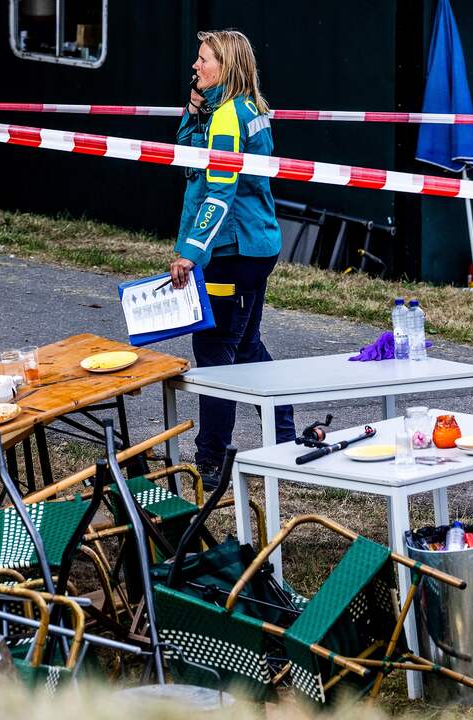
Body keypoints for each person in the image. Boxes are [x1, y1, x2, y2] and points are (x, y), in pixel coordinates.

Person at [169, 29, 295, 483]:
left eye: (204, 61)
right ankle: (286, 437)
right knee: (245, 345)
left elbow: (219, 192)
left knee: (216, 352)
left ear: (227, 67)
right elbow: (187, 157)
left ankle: (211, 458)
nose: (195, 67)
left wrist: (190, 253)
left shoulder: (227, 119)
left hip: (232, 249)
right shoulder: (249, 108)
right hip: (257, 245)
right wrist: (193, 107)